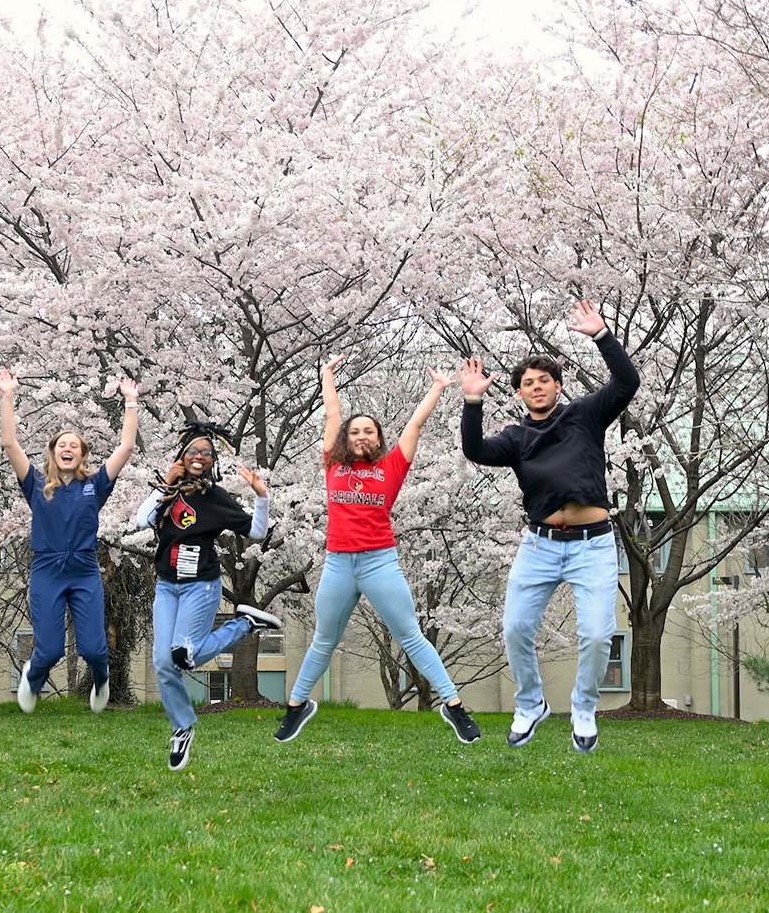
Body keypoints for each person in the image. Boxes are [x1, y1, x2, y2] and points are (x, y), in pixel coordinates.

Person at [459, 300, 639, 753]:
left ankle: (583, 706)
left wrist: (602, 336)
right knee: (516, 628)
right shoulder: (516, 439)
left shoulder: (585, 415)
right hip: (539, 546)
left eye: (543, 381)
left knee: (598, 634)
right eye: (527, 384)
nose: (535, 388)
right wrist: (473, 400)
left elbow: (627, 382)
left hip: (593, 546)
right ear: (519, 393)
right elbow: (475, 449)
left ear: (558, 386)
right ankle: (531, 702)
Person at [274, 355, 483, 745]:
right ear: (345, 439)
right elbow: (332, 412)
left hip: (379, 563)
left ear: (378, 438)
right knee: (323, 640)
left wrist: (437, 388)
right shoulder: (332, 464)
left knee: (411, 637)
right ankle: (296, 707)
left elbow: (415, 424)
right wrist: (327, 375)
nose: (360, 436)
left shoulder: (392, 466)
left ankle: (455, 708)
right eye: (354, 432)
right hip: (338, 565)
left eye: (368, 431)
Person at [133, 421, 284, 771]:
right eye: (193, 452)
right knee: (163, 662)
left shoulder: (215, 497)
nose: (199, 458)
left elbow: (257, 531)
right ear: (182, 455)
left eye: (206, 453)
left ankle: (243, 624)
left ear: (212, 459)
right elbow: (142, 521)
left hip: (200, 585)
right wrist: (167, 483)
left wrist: (262, 496)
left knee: (183, 655)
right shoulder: (167, 492)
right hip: (167, 586)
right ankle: (182, 727)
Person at [0, 368, 140, 714]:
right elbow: (9, 443)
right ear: (53, 452)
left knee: (93, 648)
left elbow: (126, 446)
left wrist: (131, 403)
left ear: (82, 455)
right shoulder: (34, 483)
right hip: (47, 568)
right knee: (49, 651)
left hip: (85, 568)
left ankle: (102, 678)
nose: (68, 448)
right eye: (62, 445)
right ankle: (32, 681)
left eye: (74, 446)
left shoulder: (96, 484)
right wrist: (8, 396)